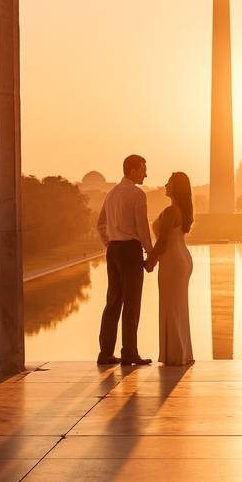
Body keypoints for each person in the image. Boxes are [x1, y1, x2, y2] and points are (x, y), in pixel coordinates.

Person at [95, 154, 154, 365]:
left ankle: (105, 352)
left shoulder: (111, 194)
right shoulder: (137, 195)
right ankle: (129, 352)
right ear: (132, 171)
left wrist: (110, 243)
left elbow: (100, 224)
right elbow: (142, 228)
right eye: (142, 169)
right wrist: (151, 254)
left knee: (113, 301)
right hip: (130, 249)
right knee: (132, 303)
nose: (146, 174)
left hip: (114, 250)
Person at [146, 172, 195, 366]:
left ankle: (174, 355)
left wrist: (150, 260)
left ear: (176, 187)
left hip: (173, 261)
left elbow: (163, 240)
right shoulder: (182, 211)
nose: (165, 185)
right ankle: (180, 353)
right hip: (182, 258)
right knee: (178, 307)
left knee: (170, 307)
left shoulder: (171, 211)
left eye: (169, 183)